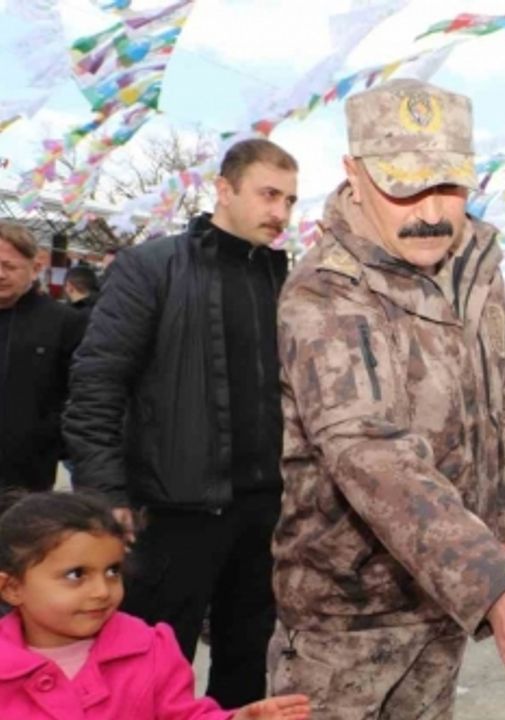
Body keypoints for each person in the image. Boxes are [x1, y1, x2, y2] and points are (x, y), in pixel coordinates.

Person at [268, 79, 505, 718]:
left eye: (449, 185)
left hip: (446, 602)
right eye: (405, 184)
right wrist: (494, 588)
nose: (432, 211)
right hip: (349, 620)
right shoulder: (325, 294)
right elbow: (371, 454)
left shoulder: (475, 272)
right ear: (353, 175)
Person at [63, 138, 299, 707]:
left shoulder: (287, 284)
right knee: (149, 666)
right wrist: (104, 493)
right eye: (269, 194)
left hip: (266, 512)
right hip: (171, 511)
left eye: (291, 200)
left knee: (248, 663)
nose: (281, 213)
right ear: (224, 189)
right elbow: (96, 383)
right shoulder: (153, 266)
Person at [0, 491, 310, 719]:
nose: (101, 591)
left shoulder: (149, 649)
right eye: (75, 575)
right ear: (12, 588)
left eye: (112, 571)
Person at [0, 223, 86, 492]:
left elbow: (82, 392)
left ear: (35, 267)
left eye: (9, 266)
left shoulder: (63, 322)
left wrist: (50, 439)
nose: (0, 274)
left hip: (26, 476)